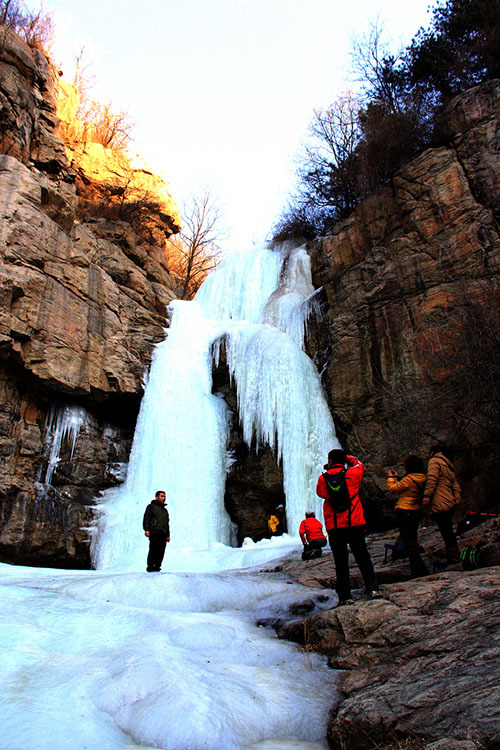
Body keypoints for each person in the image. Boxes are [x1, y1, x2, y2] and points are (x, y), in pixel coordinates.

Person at [316, 449, 380, 606]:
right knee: (362, 557)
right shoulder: (353, 474)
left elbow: (320, 493)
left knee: (341, 561)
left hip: (335, 527)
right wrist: (347, 458)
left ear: (330, 461)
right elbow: (359, 464)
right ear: (343, 460)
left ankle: (345, 596)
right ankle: (372, 588)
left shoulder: (323, 479)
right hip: (354, 524)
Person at [387, 455, 429, 578]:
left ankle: (418, 570)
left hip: (405, 511)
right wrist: (399, 477)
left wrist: (390, 478)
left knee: (408, 542)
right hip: (416, 511)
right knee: (412, 540)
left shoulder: (408, 479)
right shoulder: (422, 478)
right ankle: (418, 569)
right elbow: (409, 484)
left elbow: (393, 489)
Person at [422, 445, 461, 566]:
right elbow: (456, 485)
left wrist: (427, 495)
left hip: (440, 501)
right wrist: (456, 500)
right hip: (449, 501)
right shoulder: (448, 465)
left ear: (433, 452)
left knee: (446, 530)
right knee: (448, 529)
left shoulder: (434, 461)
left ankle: (454, 559)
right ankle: (455, 557)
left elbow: (432, 479)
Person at [143, 490, 170, 572]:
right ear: (157, 497)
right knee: (153, 549)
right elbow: (147, 518)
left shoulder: (165, 511)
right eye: (162, 496)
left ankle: (157, 566)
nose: (163, 498)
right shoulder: (151, 507)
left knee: (161, 550)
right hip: (154, 532)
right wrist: (147, 529)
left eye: (164, 496)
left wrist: (168, 535)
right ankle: (150, 567)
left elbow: (166, 523)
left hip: (163, 533)